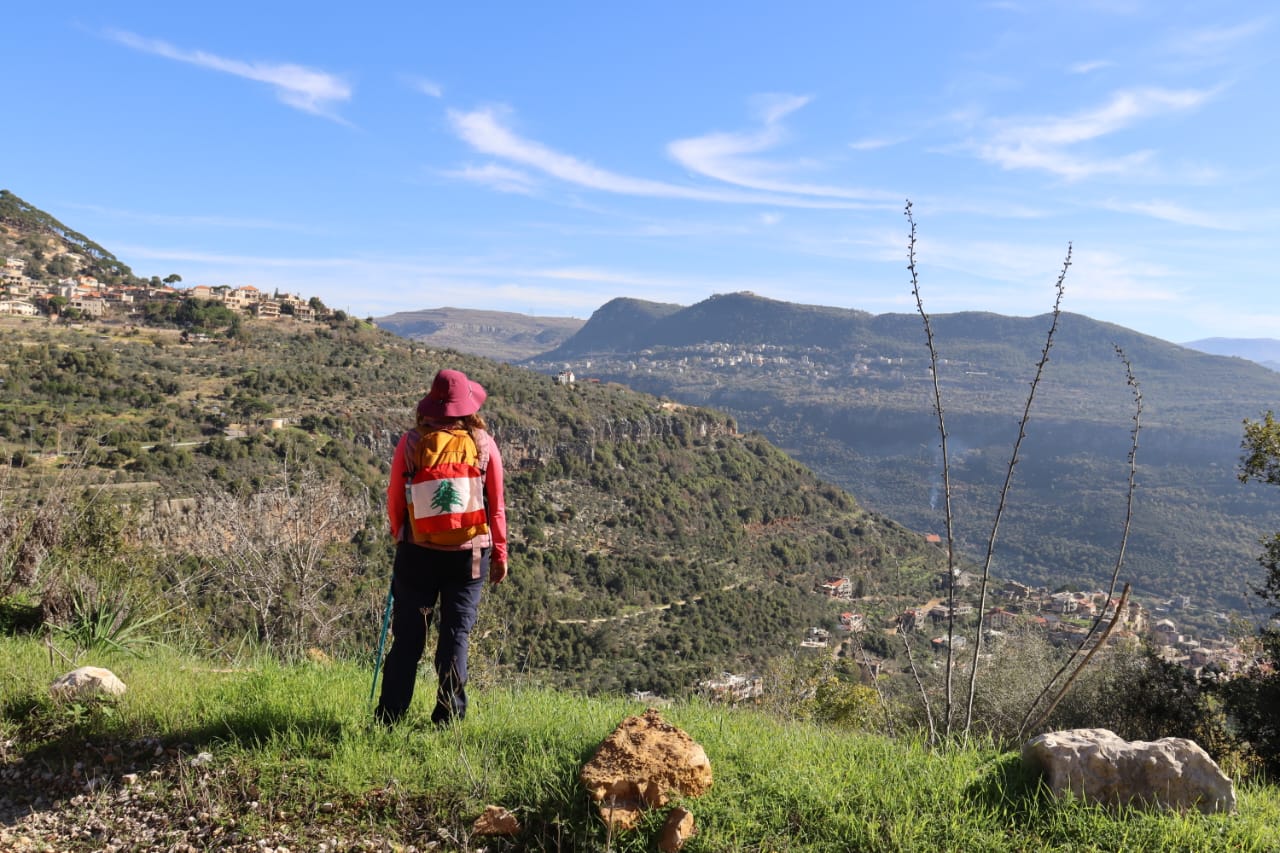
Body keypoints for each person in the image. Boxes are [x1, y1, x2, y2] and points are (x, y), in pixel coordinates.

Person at [376, 368, 508, 726]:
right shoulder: (483, 444)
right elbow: (495, 505)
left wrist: (399, 533)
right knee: (455, 636)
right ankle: (448, 719)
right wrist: (500, 553)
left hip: (417, 552)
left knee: (407, 639)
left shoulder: (412, 442)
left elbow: (394, 498)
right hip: (469, 556)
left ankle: (390, 717)